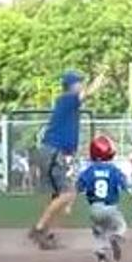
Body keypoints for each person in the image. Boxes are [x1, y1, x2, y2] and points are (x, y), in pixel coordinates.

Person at [28, 70, 106, 250]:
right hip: (55, 151)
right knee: (68, 193)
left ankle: (44, 233)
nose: (81, 85)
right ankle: (39, 229)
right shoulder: (68, 99)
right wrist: (100, 78)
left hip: (53, 150)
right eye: (79, 82)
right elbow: (88, 93)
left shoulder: (66, 101)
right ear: (72, 85)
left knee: (58, 195)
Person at [76, 135, 130, 262]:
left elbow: (78, 187)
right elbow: (125, 186)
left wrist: (69, 204)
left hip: (94, 209)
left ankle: (101, 257)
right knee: (121, 225)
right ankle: (116, 236)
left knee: (99, 233)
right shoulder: (113, 170)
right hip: (110, 208)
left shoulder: (89, 170)